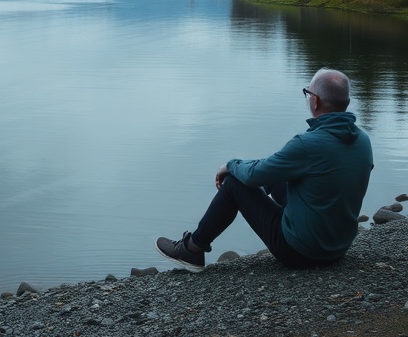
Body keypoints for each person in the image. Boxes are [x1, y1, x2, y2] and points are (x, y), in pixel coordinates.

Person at [156, 68, 373, 271]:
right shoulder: (363, 141)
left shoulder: (308, 145)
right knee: (272, 174)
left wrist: (230, 165)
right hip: (338, 247)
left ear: (315, 101)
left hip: (301, 252)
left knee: (234, 183)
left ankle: (192, 249)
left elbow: (252, 175)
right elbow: (273, 168)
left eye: (308, 94)